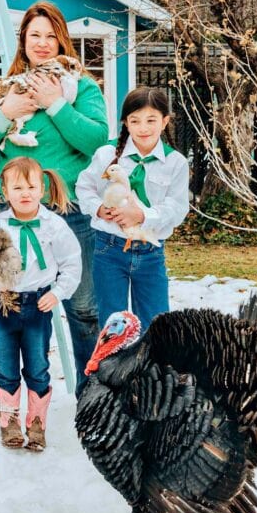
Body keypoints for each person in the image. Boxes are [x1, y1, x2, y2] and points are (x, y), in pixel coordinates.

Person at [0, 1, 108, 397]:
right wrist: (6, 114)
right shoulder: (6, 88)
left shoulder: (80, 85)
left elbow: (98, 139)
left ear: (62, 38)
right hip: (10, 210)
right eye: (35, 36)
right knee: (3, 302)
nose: (44, 44)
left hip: (68, 211)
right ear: (24, 42)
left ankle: (92, 395)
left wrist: (55, 104)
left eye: (51, 36)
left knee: (83, 308)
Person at [0, 157, 82, 451]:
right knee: (4, 366)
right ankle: (10, 422)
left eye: (31, 186)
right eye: (17, 187)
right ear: (4, 192)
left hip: (37, 306)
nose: (25, 193)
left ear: (42, 189)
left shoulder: (53, 226)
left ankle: (37, 423)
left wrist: (57, 292)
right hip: (3, 305)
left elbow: (71, 262)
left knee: (38, 366)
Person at [75, 87, 189, 331]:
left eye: (151, 120)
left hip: (150, 253)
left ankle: (150, 370)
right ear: (125, 123)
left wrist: (142, 215)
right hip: (109, 250)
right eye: (135, 121)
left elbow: (177, 207)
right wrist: (98, 209)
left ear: (164, 121)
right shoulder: (107, 154)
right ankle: (114, 369)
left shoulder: (175, 163)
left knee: (155, 323)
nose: (143, 128)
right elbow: (84, 188)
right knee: (113, 324)